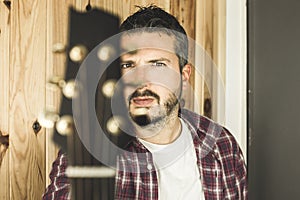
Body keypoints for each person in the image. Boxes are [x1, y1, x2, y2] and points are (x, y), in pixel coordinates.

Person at [43, 5, 247, 200]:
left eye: (158, 65)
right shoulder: (88, 144)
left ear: (184, 77)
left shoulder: (221, 143)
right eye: (128, 65)